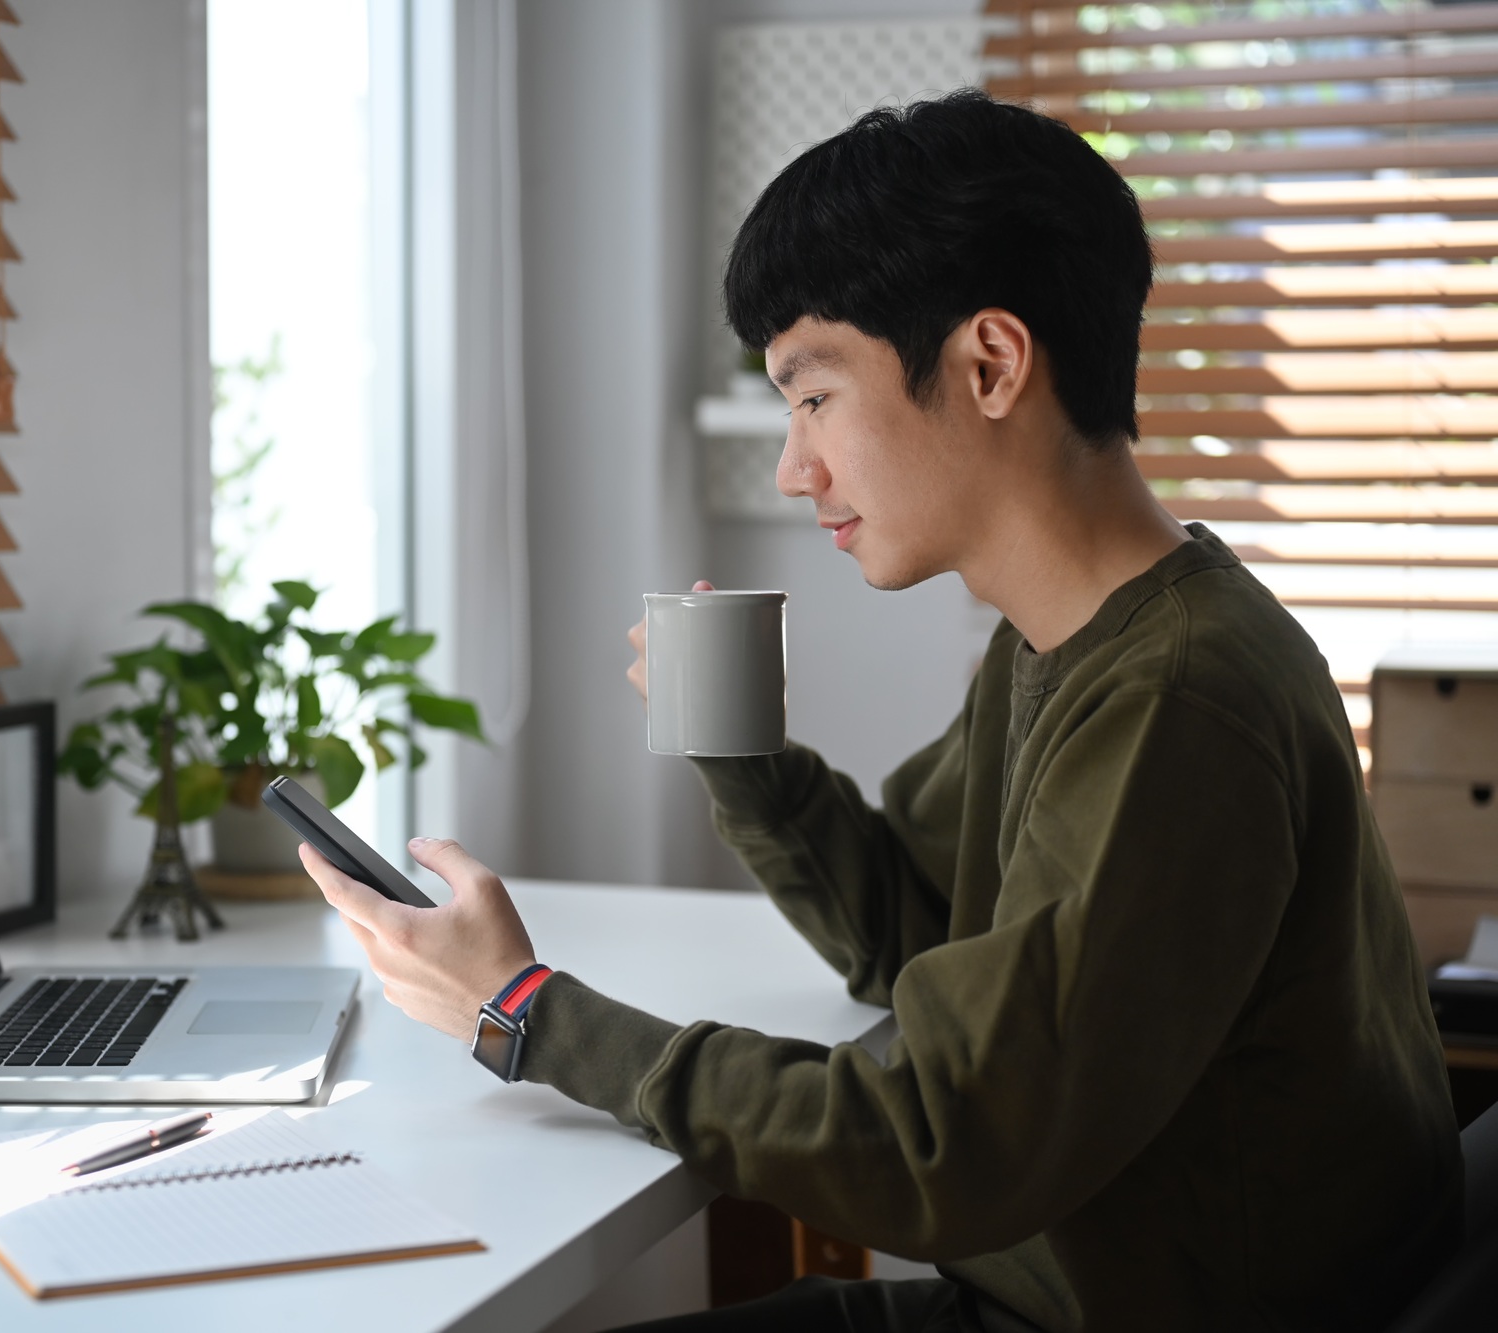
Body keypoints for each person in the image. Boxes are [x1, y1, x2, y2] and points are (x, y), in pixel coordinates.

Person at [296, 89, 1462, 1331]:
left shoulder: (1176, 696)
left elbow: (944, 1145)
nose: (794, 468)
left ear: (988, 364)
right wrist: (735, 747)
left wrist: (526, 1012)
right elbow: (909, 925)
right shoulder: (1056, 641)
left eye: (811, 398)